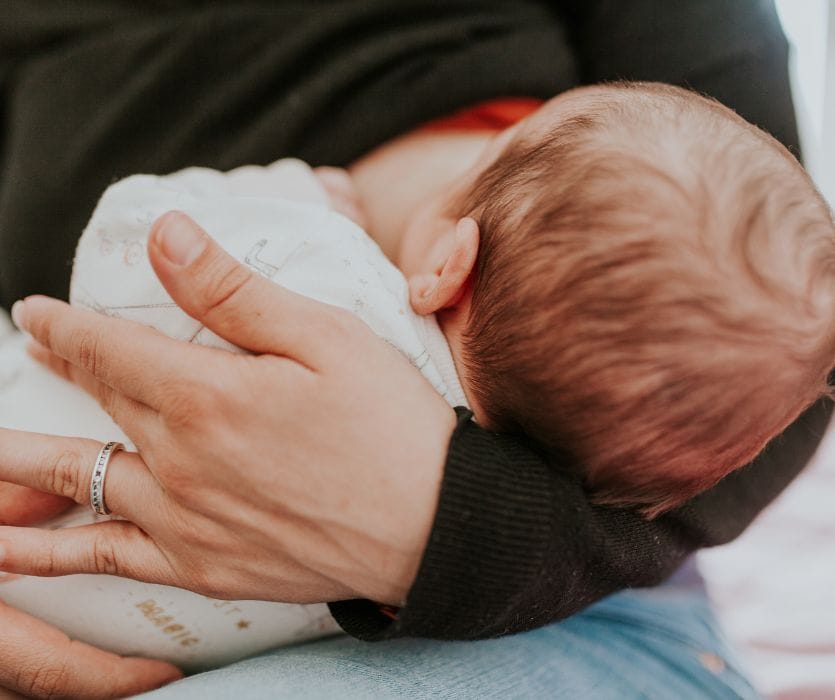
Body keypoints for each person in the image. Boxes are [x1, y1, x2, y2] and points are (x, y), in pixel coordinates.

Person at [0, 1, 827, 697]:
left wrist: (441, 526)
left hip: (559, 607)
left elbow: (760, 327)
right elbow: (777, 350)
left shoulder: (299, 256)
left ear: (445, 264)